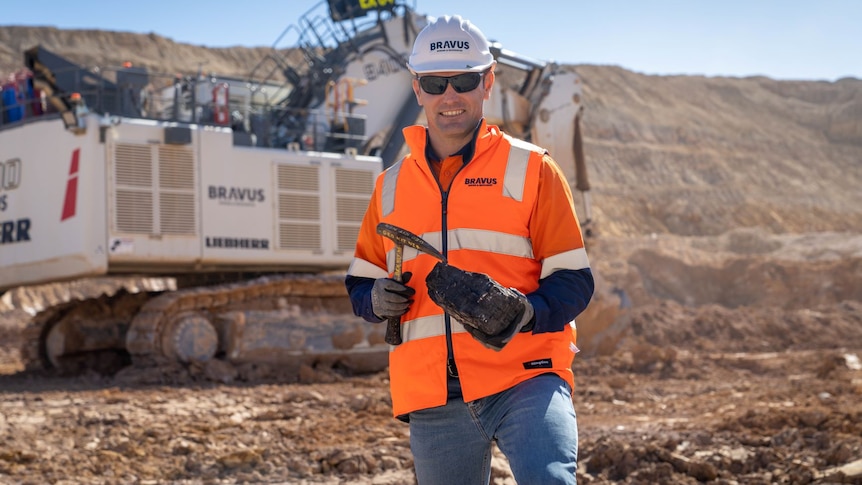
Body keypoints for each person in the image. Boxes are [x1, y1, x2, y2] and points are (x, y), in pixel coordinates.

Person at [345, 14, 594, 485]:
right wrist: (373, 299)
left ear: (487, 83)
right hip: (432, 395)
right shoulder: (390, 186)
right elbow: (359, 280)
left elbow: (575, 280)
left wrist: (525, 312)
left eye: (463, 80)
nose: (449, 95)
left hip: (526, 377)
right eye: (435, 83)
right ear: (417, 89)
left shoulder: (532, 169)